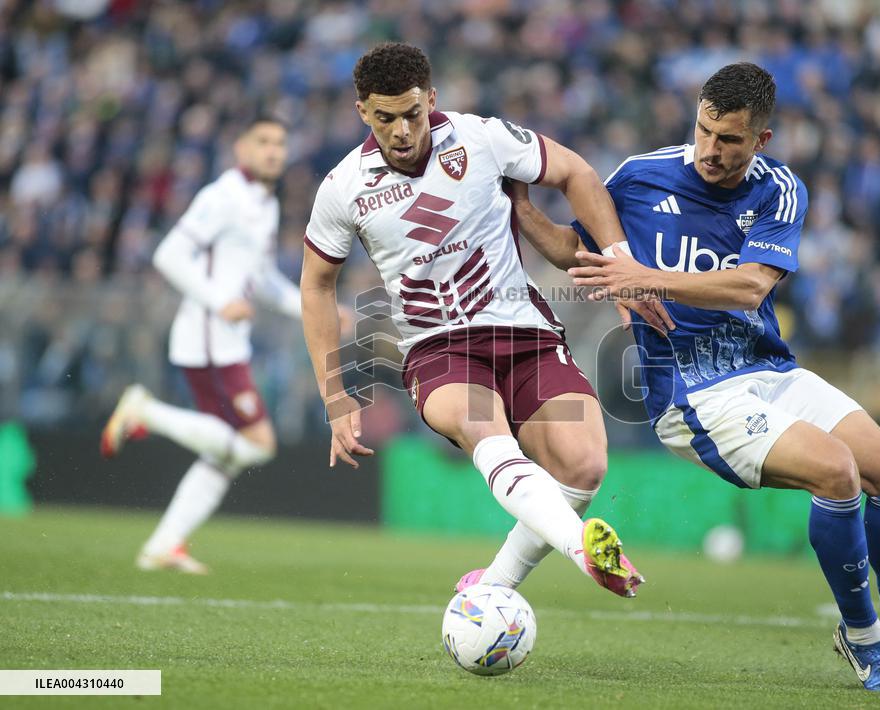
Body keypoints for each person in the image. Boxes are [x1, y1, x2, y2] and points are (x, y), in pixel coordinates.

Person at [509, 63, 880, 693]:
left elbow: (750, 286)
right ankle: (865, 640)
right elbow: (579, 251)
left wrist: (649, 279)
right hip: (693, 392)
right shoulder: (641, 175)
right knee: (837, 471)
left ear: (760, 139)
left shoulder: (780, 188)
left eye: (729, 139)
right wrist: (521, 207)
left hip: (767, 368)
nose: (710, 149)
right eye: (703, 130)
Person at [300, 42, 670, 598]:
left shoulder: (483, 138)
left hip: (527, 337)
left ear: (431, 99)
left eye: (412, 114)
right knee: (482, 427)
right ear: (361, 112)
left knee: (584, 466)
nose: (401, 131)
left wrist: (620, 262)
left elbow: (575, 171)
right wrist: (335, 395)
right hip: (439, 350)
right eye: (384, 118)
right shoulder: (343, 187)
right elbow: (316, 284)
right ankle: (583, 551)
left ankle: (492, 586)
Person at [101, 117, 301, 574]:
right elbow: (168, 254)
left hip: (229, 341)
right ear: (241, 148)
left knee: (225, 454)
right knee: (258, 444)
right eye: (263, 141)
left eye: (280, 143)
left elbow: (262, 279)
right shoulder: (222, 196)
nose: (273, 151)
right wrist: (218, 300)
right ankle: (145, 411)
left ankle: (163, 546)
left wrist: (308, 309)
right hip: (210, 339)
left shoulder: (264, 203)